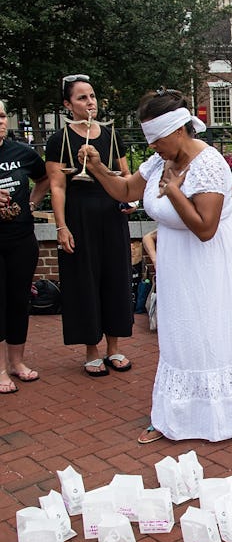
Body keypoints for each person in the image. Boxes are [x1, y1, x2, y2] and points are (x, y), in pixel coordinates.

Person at [80, 88, 232, 443]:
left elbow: (205, 229)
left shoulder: (210, 165)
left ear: (179, 129)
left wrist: (174, 191)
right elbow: (125, 191)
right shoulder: (159, 162)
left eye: (157, 138)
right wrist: (99, 169)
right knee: (181, 337)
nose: (152, 147)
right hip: (178, 262)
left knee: (213, 336)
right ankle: (177, 416)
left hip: (211, 262)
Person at [45, 74, 133, 377]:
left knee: (115, 279)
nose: (90, 102)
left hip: (110, 213)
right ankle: (91, 350)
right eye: (82, 98)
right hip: (79, 216)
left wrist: (127, 200)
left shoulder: (111, 134)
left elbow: (125, 174)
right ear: (68, 105)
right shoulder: (59, 140)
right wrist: (61, 226)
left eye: (92, 96)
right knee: (84, 281)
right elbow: (57, 186)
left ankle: (114, 347)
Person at [0, 99, 50, 393]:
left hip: (21, 237)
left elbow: (44, 179)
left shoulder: (21, 152)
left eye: (3, 115)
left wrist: (31, 203)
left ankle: (17, 363)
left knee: (19, 300)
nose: (1, 121)